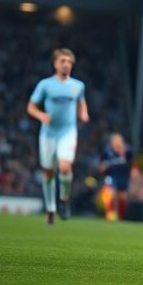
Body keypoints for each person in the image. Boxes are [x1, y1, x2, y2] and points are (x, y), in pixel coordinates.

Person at [27, 48, 90, 224]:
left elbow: (81, 102)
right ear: (55, 64)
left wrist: (83, 113)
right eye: (63, 61)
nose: (66, 64)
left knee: (64, 167)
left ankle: (64, 198)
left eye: (69, 62)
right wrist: (41, 116)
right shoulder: (45, 85)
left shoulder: (78, 86)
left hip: (68, 132)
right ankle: (50, 208)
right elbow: (31, 107)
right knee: (48, 172)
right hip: (48, 134)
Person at [99, 133, 134, 221]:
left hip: (123, 176)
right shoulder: (107, 152)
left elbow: (132, 163)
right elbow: (101, 165)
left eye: (119, 141)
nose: (117, 143)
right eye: (115, 141)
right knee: (110, 194)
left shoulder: (127, 151)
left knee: (122, 197)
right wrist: (103, 167)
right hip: (112, 175)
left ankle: (121, 217)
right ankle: (109, 214)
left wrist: (134, 171)